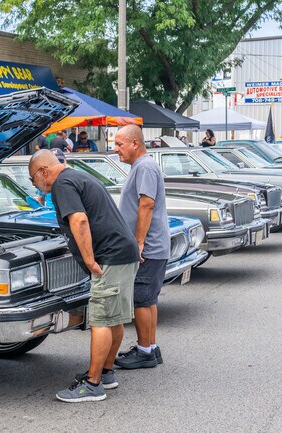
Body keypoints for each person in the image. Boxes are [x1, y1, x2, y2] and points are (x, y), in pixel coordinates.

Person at [28, 150, 140, 403]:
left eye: (33, 179)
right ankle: (106, 372)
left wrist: (89, 260)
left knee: (100, 320)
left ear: (44, 171)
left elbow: (79, 221)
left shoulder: (62, 184)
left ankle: (92, 384)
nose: (35, 184)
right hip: (124, 252)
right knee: (114, 318)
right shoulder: (78, 177)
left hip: (109, 257)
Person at [113, 125, 170, 369]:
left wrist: (138, 243)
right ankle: (150, 346)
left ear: (135, 143)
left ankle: (145, 352)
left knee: (140, 299)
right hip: (153, 245)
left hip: (148, 247)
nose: (116, 149)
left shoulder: (145, 167)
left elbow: (146, 205)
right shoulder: (142, 166)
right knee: (148, 299)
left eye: (119, 144)